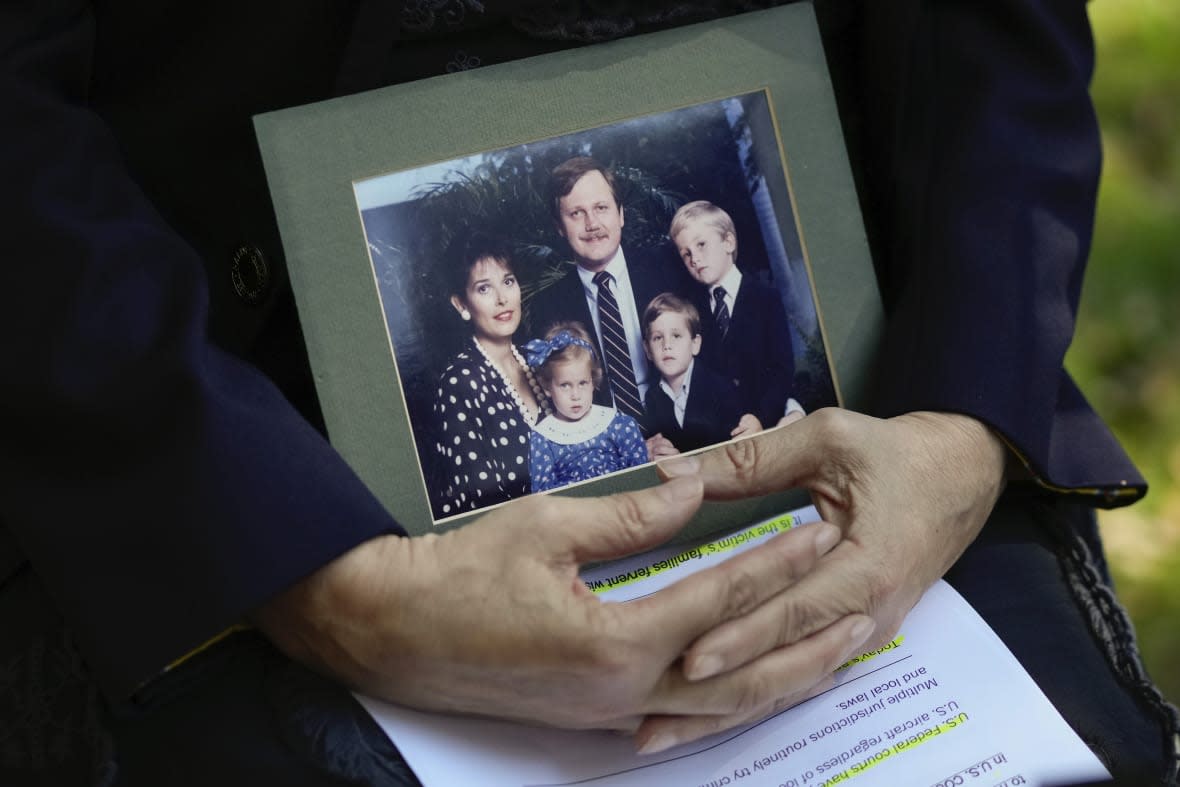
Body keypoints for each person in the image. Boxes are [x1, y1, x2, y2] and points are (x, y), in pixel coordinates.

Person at [3, 2, 1177, 786]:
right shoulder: (473, 374)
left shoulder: (717, 294)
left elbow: (996, 45)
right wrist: (315, 574)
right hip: (208, 416)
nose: (581, 234)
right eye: (530, 248)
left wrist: (961, 420)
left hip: (881, 421)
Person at [528, 156, 691, 459]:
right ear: (560, 228)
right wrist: (630, 451)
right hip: (607, 453)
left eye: (601, 208)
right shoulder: (547, 309)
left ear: (621, 214)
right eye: (576, 213)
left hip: (687, 437)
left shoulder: (669, 269)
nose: (592, 224)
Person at [429, 234, 546, 517]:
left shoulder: (539, 360)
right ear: (462, 305)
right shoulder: (459, 382)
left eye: (508, 281)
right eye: (484, 289)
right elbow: (481, 504)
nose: (502, 298)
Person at [669, 200, 795, 429]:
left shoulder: (765, 298)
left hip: (764, 422)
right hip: (719, 429)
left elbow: (782, 371)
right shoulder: (691, 309)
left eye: (702, 245)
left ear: (728, 242)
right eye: (686, 254)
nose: (695, 258)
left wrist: (761, 418)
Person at [524, 322, 648, 492]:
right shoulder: (544, 438)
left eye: (582, 383)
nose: (575, 395)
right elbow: (544, 495)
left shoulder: (616, 424)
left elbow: (641, 473)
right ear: (547, 387)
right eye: (565, 385)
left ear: (593, 381)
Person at [641, 292, 757, 452]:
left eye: (676, 335)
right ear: (647, 350)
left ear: (695, 344)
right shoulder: (652, 398)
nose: (667, 345)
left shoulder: (721, 388)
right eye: (658, 338)